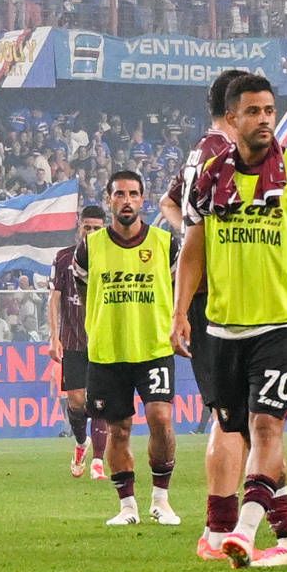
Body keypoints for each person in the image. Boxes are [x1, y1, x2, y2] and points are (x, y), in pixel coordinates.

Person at [169, 69, 287, 569]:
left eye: (270, 110)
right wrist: (181, 312)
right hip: (225, 326)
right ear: (232, 119)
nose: (264, 119)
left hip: (284, 324)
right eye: (253, 111)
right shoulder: (209, 177)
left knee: (267, 427)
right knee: (241, 430)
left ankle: (243, 533)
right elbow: (192, 251)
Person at [80, 169, 182, 528]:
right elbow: (82, 293)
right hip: (108, 353)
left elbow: (182, 289)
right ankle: (127, 507)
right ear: (109, 199)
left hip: (153, 347)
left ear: (143, 199)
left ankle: (160, 500)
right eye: (119, 194)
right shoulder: (89, 248)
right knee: (118, 429)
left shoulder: (165, 243)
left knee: (160, 418)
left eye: (133, 194)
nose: (126, 201)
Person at [54, 206, 97, 478]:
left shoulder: (112, 255)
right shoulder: (63, 257)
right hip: (73, 339)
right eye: (87, 227)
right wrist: (53, 336)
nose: (91, 232)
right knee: (77, 401)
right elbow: (54, 297)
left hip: (104, 339)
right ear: (79, 226)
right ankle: (82, 443)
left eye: (97, 228)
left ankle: (99, 463)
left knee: (103, 402)